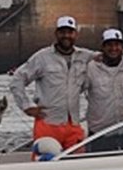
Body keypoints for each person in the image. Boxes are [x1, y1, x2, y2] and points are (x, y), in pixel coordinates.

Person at [10, 16, 91, 150]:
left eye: (70, 32)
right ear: (56, 34)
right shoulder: (42, 57)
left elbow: (109, 55)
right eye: (62, 32)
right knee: (45, 163)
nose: (66, 36)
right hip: (48, 123)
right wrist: (26, 106)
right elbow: (17, 80)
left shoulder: (84, 56)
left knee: (77, 164)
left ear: (76, 34)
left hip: (74, 124)